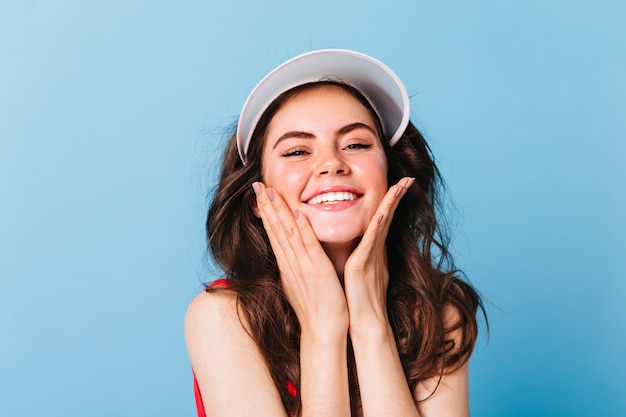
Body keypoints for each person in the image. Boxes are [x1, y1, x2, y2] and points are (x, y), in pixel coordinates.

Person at [185, 49, 484, 417]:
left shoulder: (438, 311)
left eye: (356, 144)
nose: (331, 164)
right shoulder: (224, 317)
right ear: (257, 200)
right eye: (296, 151)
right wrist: (323, 330)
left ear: (391, 176)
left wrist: (371, 324)